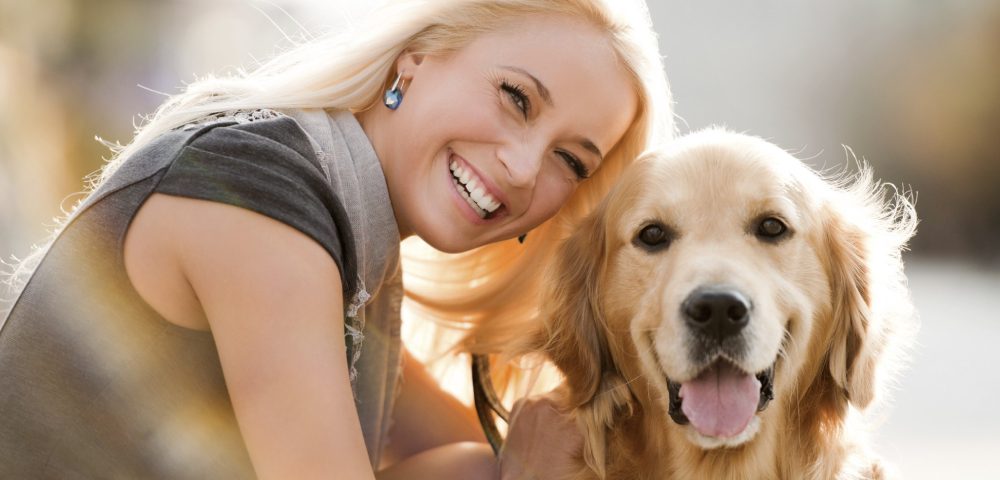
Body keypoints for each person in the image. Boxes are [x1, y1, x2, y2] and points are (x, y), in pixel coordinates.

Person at [0, 0, 673, 478]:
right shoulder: (261, 198)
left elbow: (486, 445)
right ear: (416, 60)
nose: (525, 169)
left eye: (571, 162)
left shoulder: (353, 249)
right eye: (516, 98)